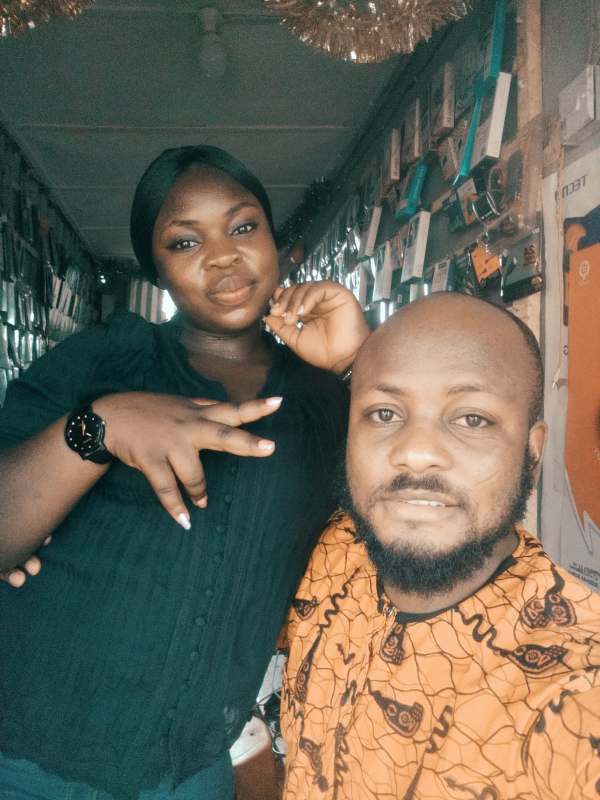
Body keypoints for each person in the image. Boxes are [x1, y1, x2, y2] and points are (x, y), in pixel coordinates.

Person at [0, 145, 369, 800]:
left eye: (243, 226)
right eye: (185, 241)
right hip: (25, 757)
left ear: (275, 241)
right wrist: (103, 426)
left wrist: (351, 366)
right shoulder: (108, 360)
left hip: (188, 772)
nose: (223, 256)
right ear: (158, 269)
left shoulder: (320, 400)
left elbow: (400, 510)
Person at [281, 292, 600, 800]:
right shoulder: (334, 548)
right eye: (385, 414)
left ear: (532, 453)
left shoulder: (576, 690)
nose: (415, 453)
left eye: (471, 419)